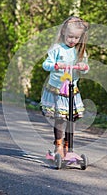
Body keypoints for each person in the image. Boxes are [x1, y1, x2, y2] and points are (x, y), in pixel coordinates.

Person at [40, 16, 89, 158]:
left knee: (72, 119)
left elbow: (85, 68)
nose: (73, 40)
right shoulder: (57, 49)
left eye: (76, 38)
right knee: (60, 119)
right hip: (57, 90)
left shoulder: (80, 51)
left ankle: (69, 147)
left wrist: (83, 66)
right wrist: (55, 65)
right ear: (63, 33)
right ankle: (58, 145)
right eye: (70, 37)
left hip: (72, 91)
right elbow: (45, 64)